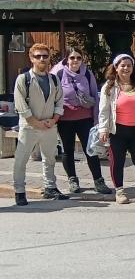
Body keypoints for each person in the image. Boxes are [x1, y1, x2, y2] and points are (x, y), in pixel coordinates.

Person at [98, 54, 135, 205]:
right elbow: (104, 110)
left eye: (129, 65)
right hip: (118, 132)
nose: (126, 68)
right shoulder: (109, 87)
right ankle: (119, 192)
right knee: (117, 162)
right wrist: (103, 128)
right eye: (122, 65)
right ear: (116, 68)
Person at [12, 44, 68, 205]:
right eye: (38, 56)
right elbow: (20, 105)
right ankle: (19, 191)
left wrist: (54, 119)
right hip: (29, 126)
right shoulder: (23, 79)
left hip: (49, 126)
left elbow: (59, 101)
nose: (42, 59)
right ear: (31, 58)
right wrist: (35, 122)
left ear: (49, 58)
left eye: (45, 56)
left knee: (49, 158)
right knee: (21, 160)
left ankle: (50, 187)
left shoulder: (54, 79)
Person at [54, 48, 111, 195]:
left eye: (78, 58)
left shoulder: (87, 73)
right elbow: (53, 96)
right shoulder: (58, 74)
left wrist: (97, 119)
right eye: (72, 58)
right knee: (68, 150)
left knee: (90, 149)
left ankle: (98, 181)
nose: (75, 61)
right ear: (67, 59)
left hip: (85, 118)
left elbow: (95, 96)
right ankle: (72, 180)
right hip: (65, 119)